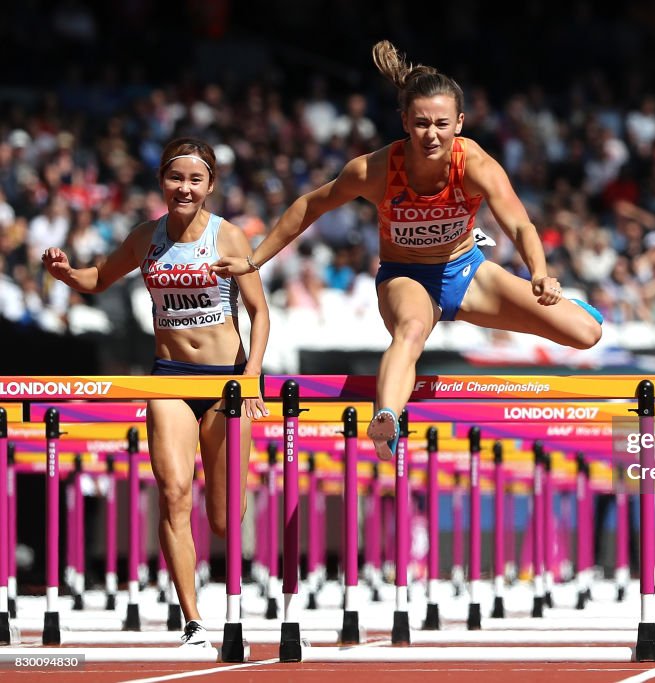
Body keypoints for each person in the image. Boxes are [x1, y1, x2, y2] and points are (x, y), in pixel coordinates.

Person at [212, 40, 603, 460]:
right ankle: (387, 420)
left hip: (468, 272)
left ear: (459, 123)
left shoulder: (475, 164)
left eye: (441, 123)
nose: (431, 134)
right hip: (406, 276)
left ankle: (574, 309)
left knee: (587, 334)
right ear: (404, 121)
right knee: (411, 331)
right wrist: (255, 259)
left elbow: (520, 223)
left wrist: (539, 272)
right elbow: (310, 205)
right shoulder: (374, 170)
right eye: (420, 123)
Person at [42, 138, 270, 646]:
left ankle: (231, 578)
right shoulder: (146, 237)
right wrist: (64, 274)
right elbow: (99, 278)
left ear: (210, 185)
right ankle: (192, 621)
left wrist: (252, 374)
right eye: (175, 178)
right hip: (167, 378)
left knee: (224, 517)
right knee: (172, 494)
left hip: (226, 386)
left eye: (194, 180)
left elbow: (260, 312)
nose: (184, 188)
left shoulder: (229, 238)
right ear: (162, 182)